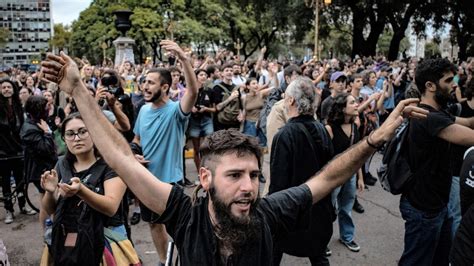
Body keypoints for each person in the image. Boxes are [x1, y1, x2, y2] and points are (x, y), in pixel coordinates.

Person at [41, 49, 428, 265]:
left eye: (254, 175)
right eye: (235, 176)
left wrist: (376, 137)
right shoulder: (183, 212)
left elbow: (327, 178)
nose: (249, 187)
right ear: (205, 179)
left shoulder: (269, 213)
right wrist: (77, 90)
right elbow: (121, 158)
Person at [399, 58, 474, 265]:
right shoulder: (429, 117)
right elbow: (469, 135)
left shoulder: (436, 113)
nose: (455, 85)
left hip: (437, 206)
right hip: (424, 210)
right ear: (430, 86)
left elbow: (468, 122)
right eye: (449, 81)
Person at [130, 41, 198, 265]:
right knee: (153, 224)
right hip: (147, 180)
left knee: (178, 227)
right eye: (144, 82)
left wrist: (183, 58)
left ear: (166, 87)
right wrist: (134, 154)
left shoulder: (176, 111)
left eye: (150, 82)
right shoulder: (143, 110)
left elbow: (194, 91)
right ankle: (163, 261)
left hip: (171, 182)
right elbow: (137, 139)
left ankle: (187, 259)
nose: (145, 86)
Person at [40, 113, 139, 265]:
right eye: (70, 134)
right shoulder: (62, 165)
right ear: (64, 140)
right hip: (69, 244)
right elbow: (51, 209)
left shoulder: (111, 165)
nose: (77, 138)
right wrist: (49, 191)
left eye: (83, 131)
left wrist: (81, 191)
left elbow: (111, 207)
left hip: (105, 242)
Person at [269, 77, 335, 265]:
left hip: (291, 211)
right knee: (318, 254)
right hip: (319, 207)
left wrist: (273, 215)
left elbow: (278, 183)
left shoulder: (284, 135)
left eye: (285, 96)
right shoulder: (321, 129)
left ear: (290, 101)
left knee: (273, 253)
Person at [325, 93, 365, 252]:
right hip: (333, 177)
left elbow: (358, 155)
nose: (357, 105)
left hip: (351, 176)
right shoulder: (330, 128)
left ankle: (347, 237)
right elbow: (324, 157)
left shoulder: (355, 126)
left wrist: (360, 177)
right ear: (343, 108)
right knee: (328, 211)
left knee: (346, 209)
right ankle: (322, 241)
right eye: (353, 102)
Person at [0, 79, 35, 224]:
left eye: (9, 87)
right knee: (6, 182)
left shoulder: (19, 107)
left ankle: (23, 205)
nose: (7, 89)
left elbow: (22, 128)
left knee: (21, 180)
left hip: (18, 150)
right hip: (3, 152)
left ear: (13, 89)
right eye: (4, 87)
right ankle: (9, 210)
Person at [20, 95, 58, 228]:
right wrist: (48, 132)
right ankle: (47, 231)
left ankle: (49, 230)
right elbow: (46, 149)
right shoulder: (30, 128)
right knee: (46, 203)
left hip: (43, 167)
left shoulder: (36, 122)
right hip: (40, 169)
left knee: (47, 201)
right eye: (45, 107)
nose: (48, 108)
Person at [189, 69, 216, 172]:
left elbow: (214, 109)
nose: (204, 76)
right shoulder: (191, 91)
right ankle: (200, 173)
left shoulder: (209, 91)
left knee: (208, 147)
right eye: (201, 75)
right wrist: (191, 108)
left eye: (205, 75)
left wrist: (206, 109)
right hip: (194, 121)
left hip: (206, 120)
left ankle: (209, 170)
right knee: (196, 149)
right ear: (196, 77)